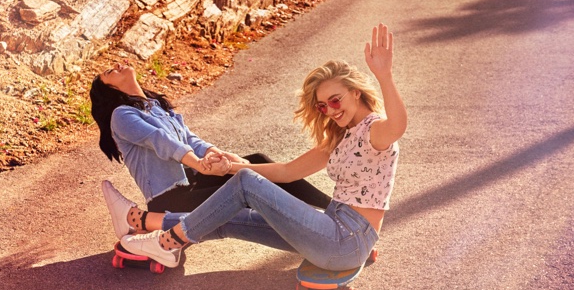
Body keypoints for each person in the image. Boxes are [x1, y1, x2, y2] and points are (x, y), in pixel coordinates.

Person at [103, 23, 407, 270]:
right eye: (323, 106)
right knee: (233, 219)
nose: (330, 110)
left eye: (336, 100)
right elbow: (286, 172)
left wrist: (385, 76)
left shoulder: (374, 131)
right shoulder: (343, 136)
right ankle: (139, 221)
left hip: (345, 240)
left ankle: (168, 244)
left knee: (247, 184)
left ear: (355, 93)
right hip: (333, 232)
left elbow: (397, 127)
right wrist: (233, 166)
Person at [90, 61, 332, 234]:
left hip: (194, 183)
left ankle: (333, 209)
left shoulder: (156, 106)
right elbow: (161, 141)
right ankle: (317, 226)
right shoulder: (120, 115)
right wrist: (199, 165)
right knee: (248, 186)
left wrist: (216, 154)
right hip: (171, 200)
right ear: (109, 91)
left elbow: (189, 138)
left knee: (256, 162)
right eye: (110, 72)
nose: (118, 65)